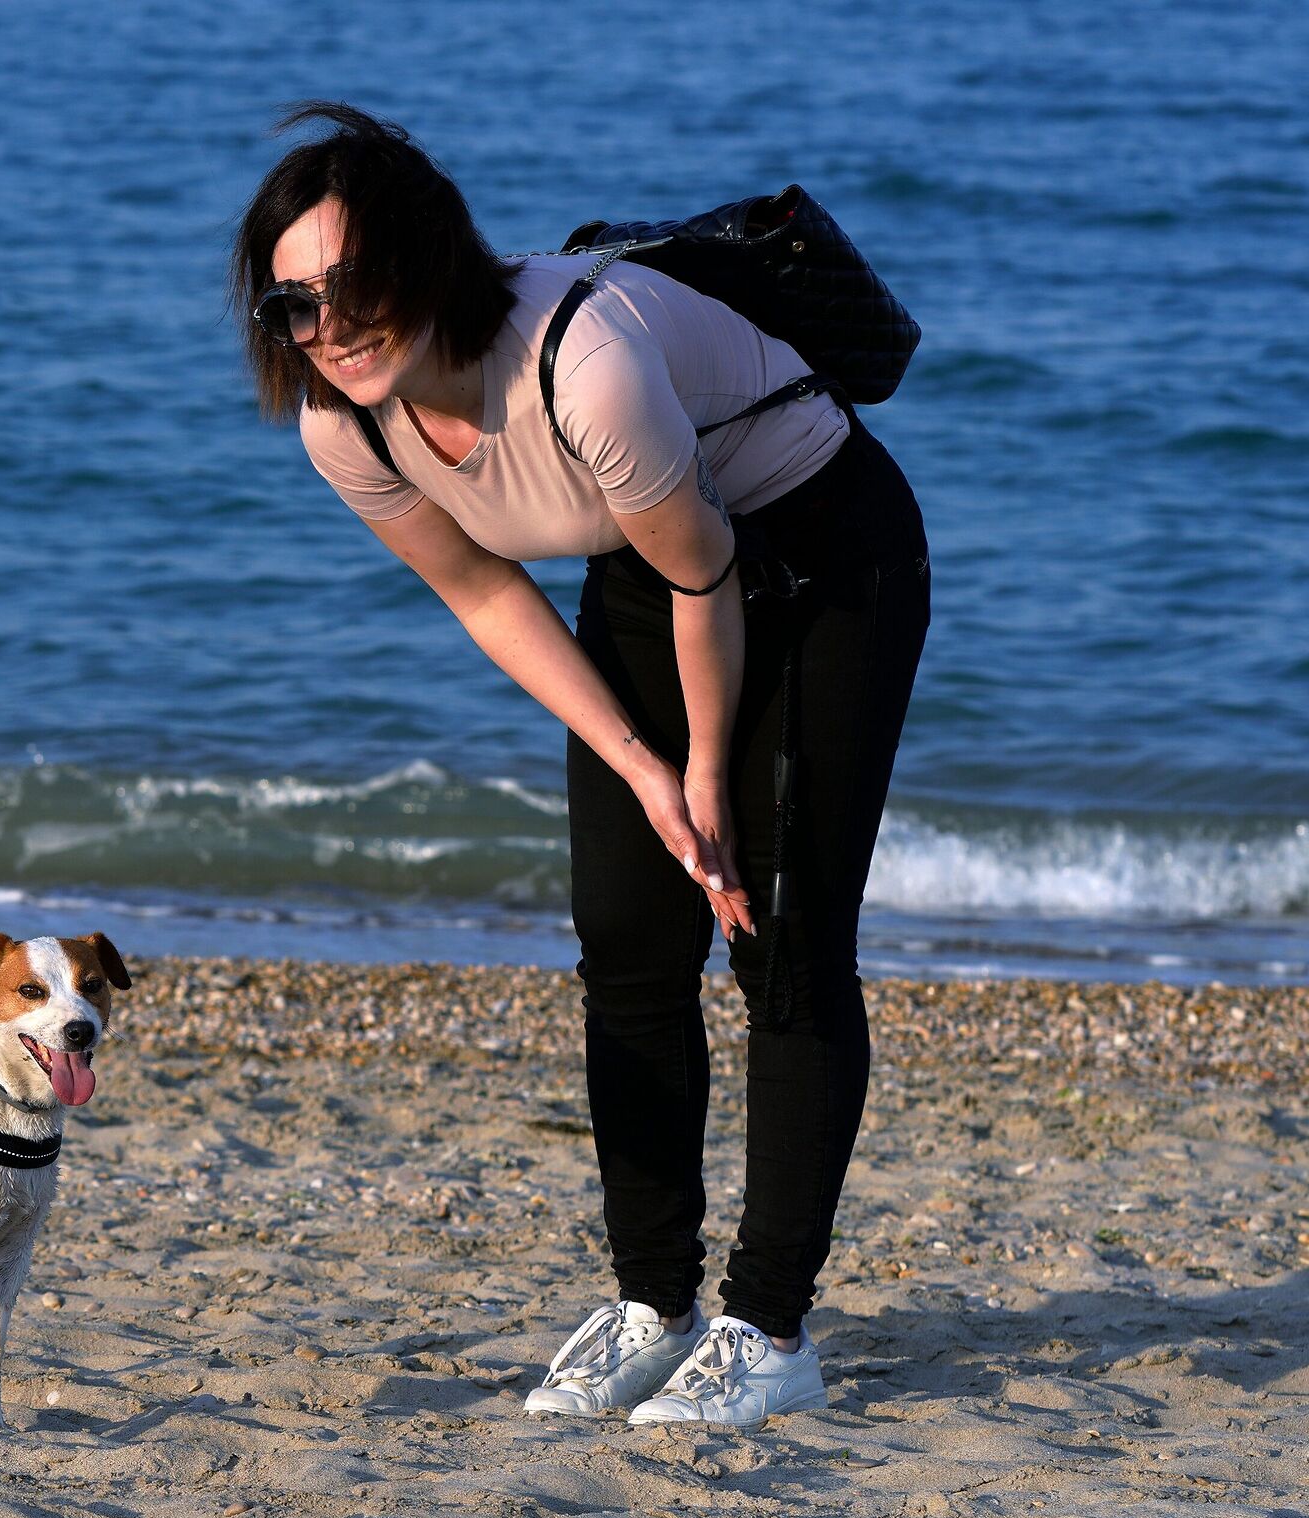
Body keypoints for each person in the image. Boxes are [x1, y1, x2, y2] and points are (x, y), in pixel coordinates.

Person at [230, 104, 930, 1428]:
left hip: (826, 557)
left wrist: (705, 772)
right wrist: (639, 765)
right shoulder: (346, 427)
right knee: (625, 938)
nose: (332, 325)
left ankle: (770, 1329)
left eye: (355, 283)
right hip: (658, 571)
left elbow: (707, 564)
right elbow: (489, 596)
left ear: (430, 253)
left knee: (778, 936)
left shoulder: (582, 362)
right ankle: (652, 1304)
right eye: (294, 307)